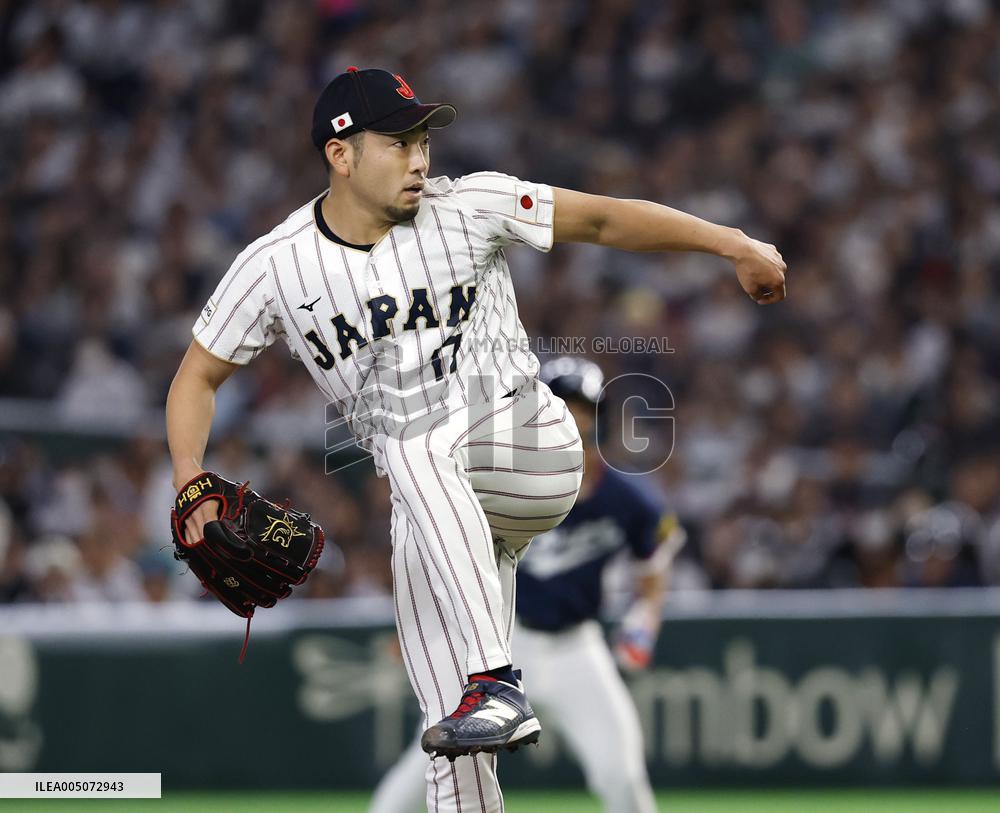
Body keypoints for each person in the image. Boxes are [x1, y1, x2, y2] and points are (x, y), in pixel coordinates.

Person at [165, 67, 786, 813]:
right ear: (340, 154)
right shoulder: (275, 264)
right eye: (398, 142)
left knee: (411, 442)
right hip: (441, 509)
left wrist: (732, 243)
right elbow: (196, 376)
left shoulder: (470, 205)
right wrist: (190, 476)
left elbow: (603, 220)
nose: (420, 156)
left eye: (424, 138)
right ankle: (482, 696)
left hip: (530, 443)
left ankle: (496, 678)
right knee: (451, 747)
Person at [369, 357, 684, 813]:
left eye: (583, 410)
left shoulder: (627, 497)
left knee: (622, 777)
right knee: (434, 769)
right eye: (563, 407)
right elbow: (443, 552)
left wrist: (645, 618)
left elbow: (654, 560)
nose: (574, 420)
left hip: (578, 648)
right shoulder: (495, 483)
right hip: (505, 646)